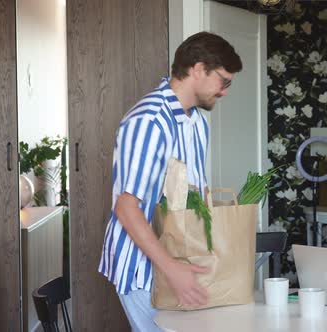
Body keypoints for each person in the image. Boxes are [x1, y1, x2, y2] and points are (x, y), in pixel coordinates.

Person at [98, 31, 242, 331]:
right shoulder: (149, 120)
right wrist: (171, 268)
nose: (225, 91)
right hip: (144, 270)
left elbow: (193, 200)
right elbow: (126, 207)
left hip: (177, 263)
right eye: (223, 81)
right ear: (199, 69)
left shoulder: (197, 123)